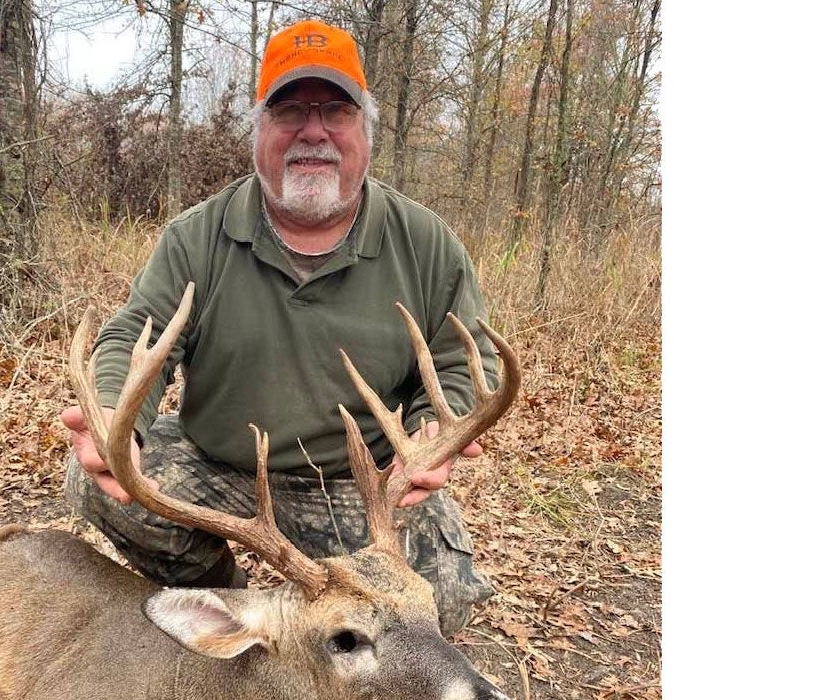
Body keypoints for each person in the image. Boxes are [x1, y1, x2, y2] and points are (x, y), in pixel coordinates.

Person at [61, 19, 501, 636]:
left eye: (335, 111)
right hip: (219, 467)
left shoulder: (424, 243)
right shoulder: (198, 237)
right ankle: (236, 612)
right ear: (259, 131)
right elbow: (136, 335)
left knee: (439, 602)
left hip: (364, 484)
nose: (313, 132)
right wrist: (115, 416)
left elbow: (464, 359)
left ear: (365, 132)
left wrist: (435, 428)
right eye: (288, 111)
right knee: (100, 485)